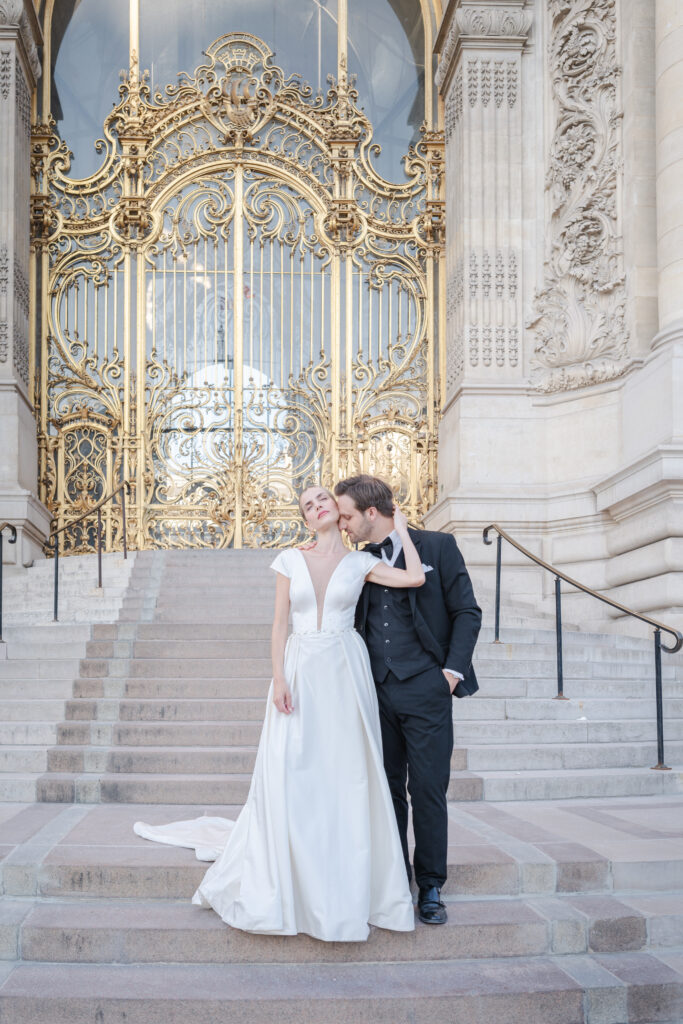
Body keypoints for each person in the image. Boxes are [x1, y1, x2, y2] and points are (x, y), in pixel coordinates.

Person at [134, 485, 426, 942]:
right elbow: (278, 624)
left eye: (322, 499)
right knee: (295, 766)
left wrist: (404, 530)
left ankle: (345, 873)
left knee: (346, 772)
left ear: (337, 509)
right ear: (306, 520)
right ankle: (294, 873)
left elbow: (414, 579)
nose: (317, 507)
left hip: (346, 671)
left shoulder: (362, 563)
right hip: (301, 667)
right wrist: (279, 679)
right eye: (308, 506)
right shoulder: (289, 559)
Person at [334, 475, 482, 926]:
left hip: (427, 686)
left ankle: (432, 884)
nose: (343, 525)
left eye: (347, 516)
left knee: (428, 788)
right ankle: (397, 876)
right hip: (376, 690)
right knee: (387, 789)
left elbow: (467, 612)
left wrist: (450, 675)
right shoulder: (356, 562)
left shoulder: (438, 546)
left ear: (371, 513)